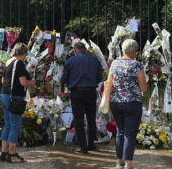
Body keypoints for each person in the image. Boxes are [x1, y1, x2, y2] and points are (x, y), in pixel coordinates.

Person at [108, 39, 147, 169]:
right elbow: (143, 88)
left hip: (116, 102)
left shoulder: (114, 63)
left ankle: (119, 162)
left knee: (120, 132)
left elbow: (109, 83)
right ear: (134, 51)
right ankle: (128, 165)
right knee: (130, 134)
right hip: (132, 103)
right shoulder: (137, 65)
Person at [62, 41, 102, 154]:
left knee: (79, 121)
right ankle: (91, 144)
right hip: (90, 92)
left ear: (75, 51)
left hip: (77, 93)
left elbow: (64, 79)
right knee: (91, 119)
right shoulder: (94, 60)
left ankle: (82, 146)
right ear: (85, 49)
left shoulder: (70, 61)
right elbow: (99, 78)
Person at [0, 42, 35, 163]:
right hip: (14, 97)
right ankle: (12, 154)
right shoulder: (19, 63)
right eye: (25, 54)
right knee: (15, 126)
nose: (26, 56)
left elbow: (3, 79)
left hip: (5, 95)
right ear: (22, 53)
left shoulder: (8, 62)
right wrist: (32, 83)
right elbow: (23, 82)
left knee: (7, 124)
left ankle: (4, 152)